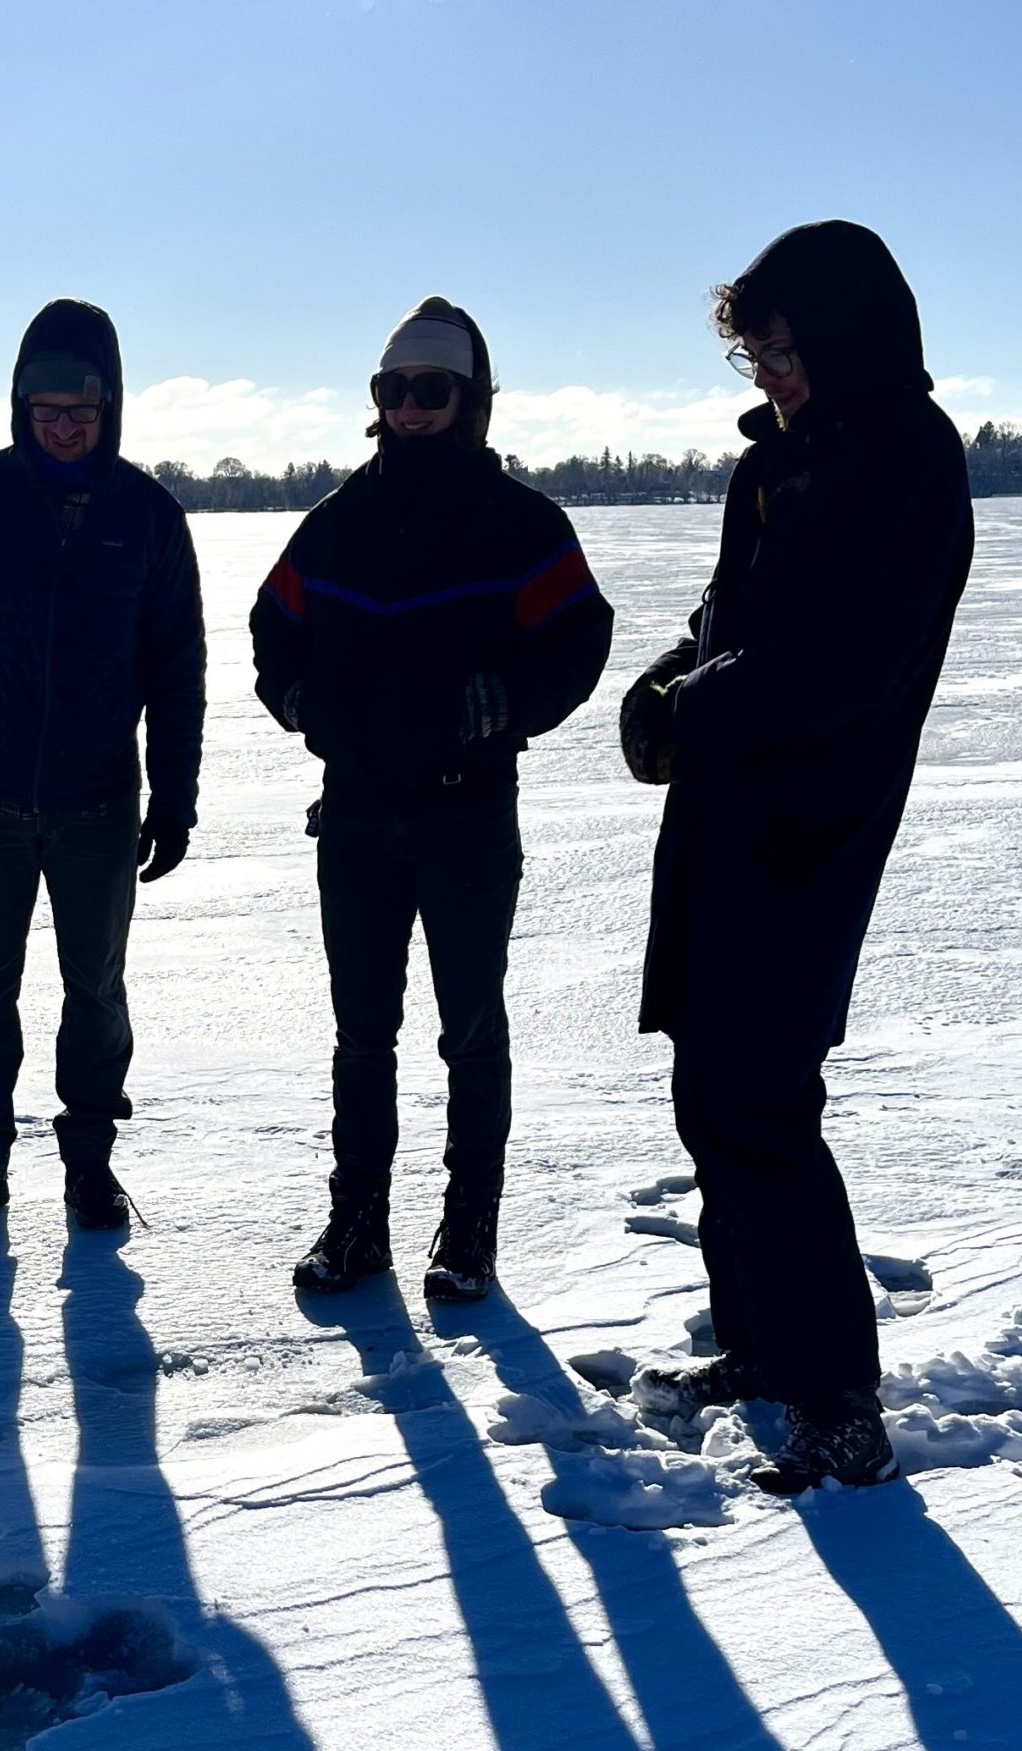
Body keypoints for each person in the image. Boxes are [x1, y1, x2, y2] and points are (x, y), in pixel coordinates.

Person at [617, 220, 973, 1495]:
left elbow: (845, 665)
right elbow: (731, 621)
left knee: (765, 1104)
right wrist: (670, 677)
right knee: (711, 1096)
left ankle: (837, 1403)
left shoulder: (902, 462)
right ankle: (762, 1346)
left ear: (841, 334)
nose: (762, 372)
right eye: (750, 352)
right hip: (725, 817)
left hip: (810, 830)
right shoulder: (780, 466)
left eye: (777, 347)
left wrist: (693, 712)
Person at [251, 298, 612, 1301]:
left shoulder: (521, 526)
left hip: (466, 822)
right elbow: (271, 629)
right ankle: (357, 1224)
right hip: (357, 820)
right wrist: (298, 699)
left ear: (470, 401)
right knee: (362, 1034)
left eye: (431, 390)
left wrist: (517, 702)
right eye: (393, 390)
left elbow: (580, 637)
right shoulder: (335, 527)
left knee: (470, 1032)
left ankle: (467, 1235)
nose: (411, 408)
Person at [0, 299, 206, 1233]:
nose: (64, 428)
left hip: (98, 805)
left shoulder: (147, 516)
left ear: (110, 407)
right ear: (19, 406)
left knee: (96, 991)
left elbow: (176, 666)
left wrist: (176, 795)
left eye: (82, 410)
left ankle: (91, 1168)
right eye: (47, 411)